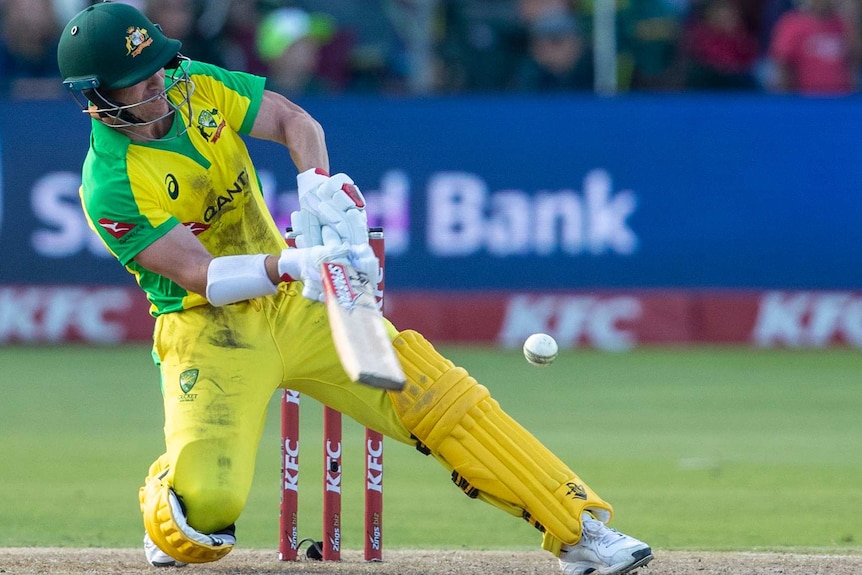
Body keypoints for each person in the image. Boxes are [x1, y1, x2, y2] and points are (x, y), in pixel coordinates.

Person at [55, 3, 654, 574]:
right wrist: (296, 264)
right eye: (137, 78)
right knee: (204, 518)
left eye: (157, 64)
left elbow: (295, 121)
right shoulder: (108, 184)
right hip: (210, 332)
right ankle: (173, 487)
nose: (158, 82)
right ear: (97, 98)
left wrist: (315, 183)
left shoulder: (193, 83)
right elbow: (201, 276)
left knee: (439, 399)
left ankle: (580, 528)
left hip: (299, 305)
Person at [767, 0, 859, 94]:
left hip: (843, 99)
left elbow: (857, 60)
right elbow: (782, 64)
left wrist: (849, 22)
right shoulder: (792, 24)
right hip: (805, 100)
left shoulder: (844, 25)